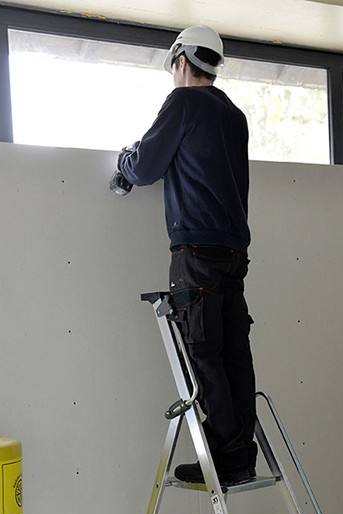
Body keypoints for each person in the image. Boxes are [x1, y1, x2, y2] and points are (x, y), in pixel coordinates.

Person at [115, 25, 258, 486]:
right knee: (234, 353)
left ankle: (224, 455)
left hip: (196, 248)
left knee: (203, 350)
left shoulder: (182, 102)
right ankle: (242, 453)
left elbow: (146, 166)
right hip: (233, 249)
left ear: (181, 61)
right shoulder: (234, 115)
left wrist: (123, 161)